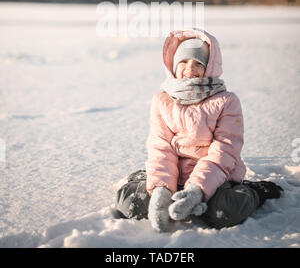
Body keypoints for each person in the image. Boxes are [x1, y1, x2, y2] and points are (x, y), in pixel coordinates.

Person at [112, 28, 283, 232]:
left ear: (210, 67)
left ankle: (255, 192)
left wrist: (197, 191)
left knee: (224, 213)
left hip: (215, 176)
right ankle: (148, 179)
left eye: (198, 63)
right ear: (173, 66)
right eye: (183, 62)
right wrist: (161, 191)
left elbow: (224, 151)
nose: (189, 68)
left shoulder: (226, 101)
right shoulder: (162, 101)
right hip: (173, 176)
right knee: (128, 204)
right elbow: (161, 148)